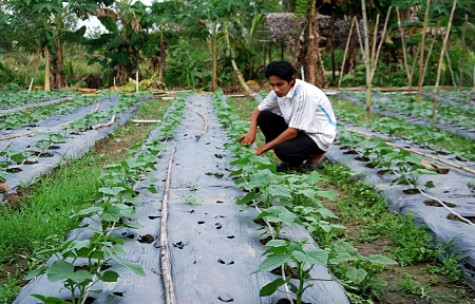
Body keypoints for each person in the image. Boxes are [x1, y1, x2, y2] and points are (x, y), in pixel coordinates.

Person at [239, 60, 337, 172]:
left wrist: (262, 149)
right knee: (264, 116)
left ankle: (315, 157)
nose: (276, 89)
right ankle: (293, 160)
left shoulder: (304, 94)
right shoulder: (278, 91)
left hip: (318, 135)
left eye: (279, 84)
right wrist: (252, 132)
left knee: (281, 150)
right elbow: (258, 110)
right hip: (302, 130)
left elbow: (292, 132)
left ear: (291, 80)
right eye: (272, 85)